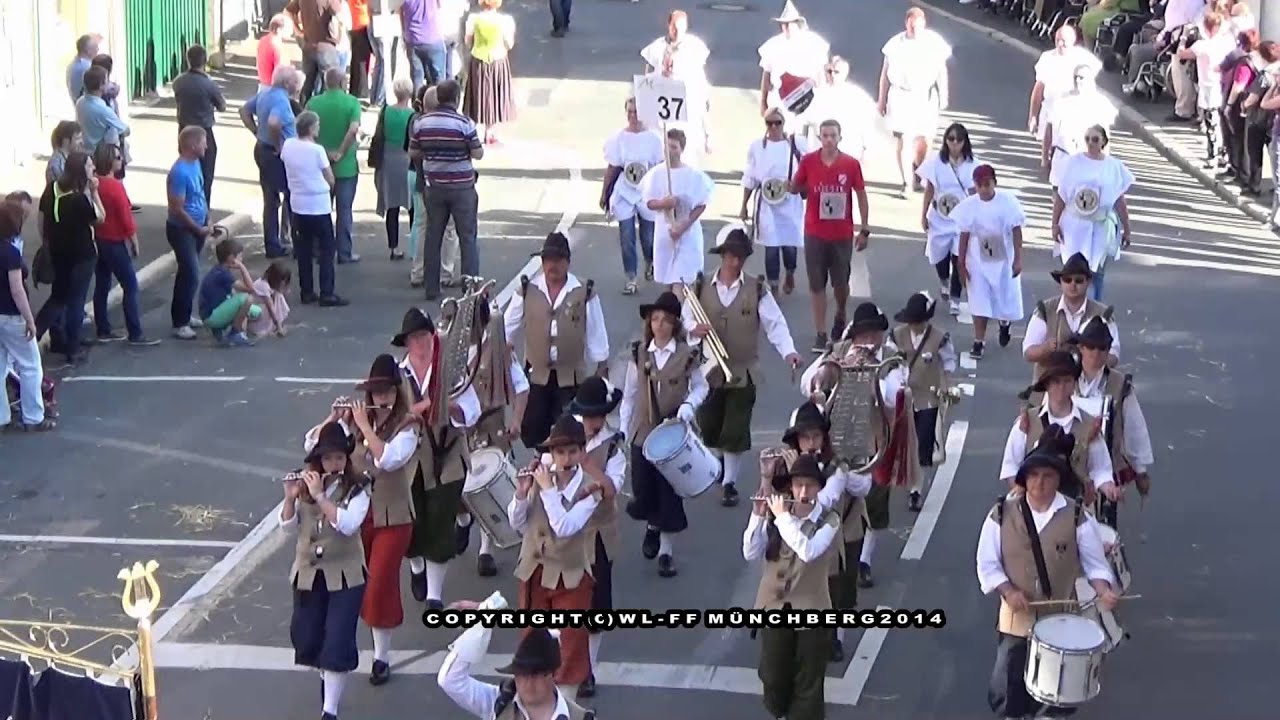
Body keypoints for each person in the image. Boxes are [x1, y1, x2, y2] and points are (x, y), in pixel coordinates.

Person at [976, 439, 1120, 720]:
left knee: (1058, 691)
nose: (1039, 483)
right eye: (1033, 476)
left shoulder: (1078, 517)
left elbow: (1095, 566)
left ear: (1058, 480)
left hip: (1059, 618)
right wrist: (1008, 591)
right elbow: (987, 563)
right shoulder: (1001, 514)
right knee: (1007, 686)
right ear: (1024, 479)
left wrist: (1104, 590)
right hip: (1016, 617)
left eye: (1048, 476)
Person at [305, 353, 421, 687]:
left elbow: (388, 459)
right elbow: (313, 445)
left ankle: (382, 656)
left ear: (397, 393)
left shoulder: (408, 425)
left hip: (393, 516)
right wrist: (334, 418)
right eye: (376, 393)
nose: (381, 399)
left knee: (379, 585)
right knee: (354, 586)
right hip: (357, 515)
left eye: (387, 392)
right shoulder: (353, 423)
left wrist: (366, 426)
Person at [685, 227, 802, 507]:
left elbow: (775, 324)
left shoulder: (756, 289)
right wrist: (693, 329)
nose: (734, 262)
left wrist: (789, 352)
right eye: (730, 256)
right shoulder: (700, 286)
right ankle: (719, 464)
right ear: (722, 255)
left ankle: (729, 483)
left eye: (740, 257)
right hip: (708, 369)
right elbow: (683, 320)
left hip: (743, 369)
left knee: (735, 428)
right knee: (709, 426)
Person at [800, 302, 913, 588]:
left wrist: (869, 374)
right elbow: (808, 384)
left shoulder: (892, 360)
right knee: (831, 497)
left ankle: (864, 559)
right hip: (836, 437)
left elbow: (892, 398)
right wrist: (825, 375)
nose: (868, 342)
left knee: (873, 503)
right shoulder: (838, 352)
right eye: (863, 335)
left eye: (873, 335)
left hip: (873, 440)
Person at [389, 307, 482, 611]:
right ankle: (416, 568)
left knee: (440, 524)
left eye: (424, 335)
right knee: (411, 524)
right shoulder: (396, 375)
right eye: (414, 337)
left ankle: (434, 596)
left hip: (448, 456)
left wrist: (450, 408)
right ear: (406, 342)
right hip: (411, 461)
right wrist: (417, 411)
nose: (421, 342)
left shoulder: (450, 369)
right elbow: (389, 416)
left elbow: (472, 409)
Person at [279, 421, 370, 720]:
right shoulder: (305, 486)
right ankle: (326, 676)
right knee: (307, 639)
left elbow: (347, 524)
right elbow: (286, 527)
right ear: (318, 460)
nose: (334, 463)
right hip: (308, 573)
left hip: (346, 574)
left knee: (338, 641)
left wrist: (321, 496)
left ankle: (329, 710)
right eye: (328, 458)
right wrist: (290, 497)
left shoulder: (358, 488)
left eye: (339, 458)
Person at [743, 453, 840, 720]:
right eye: (798, 484)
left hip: (812, 611)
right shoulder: (779, 514)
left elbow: (808, 551)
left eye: (810, 485)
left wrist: (782, 517)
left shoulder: (829, 520)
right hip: (774, 608)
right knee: (772, 677)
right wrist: (758, 518)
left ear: (819, 488)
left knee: (809, 684)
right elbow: (751, 553)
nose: (804, 491)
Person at [620, 291, 709, 578]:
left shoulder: (687, 356)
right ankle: (651, 525)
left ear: (674, 324)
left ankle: (666, 553)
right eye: (654, 319)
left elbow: (700, 387)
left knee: (669, 491)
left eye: (665, 320)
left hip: (672, 433)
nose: (659, 324)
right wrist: (624, 431)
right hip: (644, 431)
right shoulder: (639, 353)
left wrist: (688, 407)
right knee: (643, 487)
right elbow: (631, 395)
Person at [508, 415, 598, 698]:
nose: (566, 458)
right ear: (552, 454)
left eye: (572, 451)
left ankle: (566, 707)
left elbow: (566, 526)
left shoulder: (590, 489)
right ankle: (534, 704)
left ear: (582, 452)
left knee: (569, 644)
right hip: (534, 570)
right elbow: (518, 525)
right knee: (532, 641)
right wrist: (521, 495)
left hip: (570, 574)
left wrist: (547, 489)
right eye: (560, 452)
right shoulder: (540, 478)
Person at [776, 401, 870, 662]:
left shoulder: (837, 464)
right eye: (805, 437)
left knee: (840, 589)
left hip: (841, 531)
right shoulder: (787, 460)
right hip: (800, 534)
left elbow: (824, 501)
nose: (811, 442)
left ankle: (837, 638)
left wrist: (803, 472)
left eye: (816, 436)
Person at [503, 232, 609, 450]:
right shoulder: (526, 290)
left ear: (567, 262)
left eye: (558, 260)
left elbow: (596, 333)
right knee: (534, 433)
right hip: (537, 375)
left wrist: (601, 369)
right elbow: (506, 330)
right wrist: (506, 355)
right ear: (542, 262)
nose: (553, 265)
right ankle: (541, 472)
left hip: (570, 378)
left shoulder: (584, 292)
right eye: (548, 260)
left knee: (569, 434)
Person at [563, 376, 627, 696]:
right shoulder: (564, 432)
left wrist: (589, 465)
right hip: (566, 532)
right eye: (588, 416)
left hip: (598, 533)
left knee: (597, 607)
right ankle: (565, 664)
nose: (593, 422)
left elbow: (612, 489)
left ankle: (589, 668)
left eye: (598, 416)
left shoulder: (613, 446)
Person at [457, 297, 528, 578]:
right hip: (459, 428)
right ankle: (463, 519)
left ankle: (486, 549)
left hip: (490, 424)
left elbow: (521, 388)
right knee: (454, 483)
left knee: (488, 487)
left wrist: (517, 421)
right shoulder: (452, 353)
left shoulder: (499, 351)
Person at [1000, 351, 1120, 510]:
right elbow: (1010, 467)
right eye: (1056, 381)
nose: (1062, 387)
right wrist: (1027, 494)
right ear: (1047, 384)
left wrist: (1109, 488)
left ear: (1074, 383)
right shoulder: (1027, 422)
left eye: (1067, 381)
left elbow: (1100, 470)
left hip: (1077, 512)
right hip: (1033, 510)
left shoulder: (1090, 424)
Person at [790, 119, 870, 352]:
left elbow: (861, 195)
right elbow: (796, 188)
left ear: (839, 138)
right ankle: (820, 332)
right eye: (824, 135)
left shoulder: (850, 164)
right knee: (816, 284)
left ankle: (841, 311)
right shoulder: (808, 161)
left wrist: (864, 228)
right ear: (819, 138)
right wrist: (793, 186)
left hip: (841, 234)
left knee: (840, 282)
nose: (828, 140)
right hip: (814, 232)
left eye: (833, 135)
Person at [1069, 318, 1153, 529]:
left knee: (1104, 527)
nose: (1096, 354)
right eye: (1091, 347)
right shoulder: (1065, 378)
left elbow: (1135, 428)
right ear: (1081, 347)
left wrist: (1140, 470)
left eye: (1102, 349)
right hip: (1069, 464)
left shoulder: (1119, 385)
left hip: (1106, 465)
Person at [409, 79, 483, 301]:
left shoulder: (422, 123)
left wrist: (432, 156)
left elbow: (413, 152)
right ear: (457, 98)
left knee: (434, 235)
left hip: (435, 186)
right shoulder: (465, 124)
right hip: (462, 186)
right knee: (467, 236)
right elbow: (478, 153)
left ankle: (432, 287)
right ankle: (470, 287)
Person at [438, 624, 597, 720]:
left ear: (552, 674)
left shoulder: (580, 718)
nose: (527, 684)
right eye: (521, 674)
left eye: (535, 675)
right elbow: (450, 680)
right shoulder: (499, 703)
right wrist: (481, 627)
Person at [891, 292, 957, 512]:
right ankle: (903, 477)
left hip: (928, 397)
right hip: (901, 395)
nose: (914, 326)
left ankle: (915, 490)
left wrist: (948, 385)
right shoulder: (896, 336)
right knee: (901, 440)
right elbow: (888, 362)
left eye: (918, 321)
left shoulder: (939, 337)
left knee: (922, 444)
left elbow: (948, 362)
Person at [952, 164, 1026, 360]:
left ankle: (1004, 323)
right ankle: (979, 340)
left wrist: (1018, 258)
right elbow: (964, 234)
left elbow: (1017, 231)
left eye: (987, 184)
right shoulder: (970, 206)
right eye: (979, 185)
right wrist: (961, 263)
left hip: (1003, 253)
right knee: (979, 298)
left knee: (1004, 293)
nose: (984, 189)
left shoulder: (1007, 202)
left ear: (994, 183)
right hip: (977, 256)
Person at [1051, 126, 1134, 301]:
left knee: (1097, 272)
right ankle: (1071, 308)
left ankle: (1094, 310)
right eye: (1087, 139)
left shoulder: (1113, 166)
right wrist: (1055, 223)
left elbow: (1119, 199)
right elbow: (1062, 195)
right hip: (1075, 224)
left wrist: (1127, 228)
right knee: (1073, 270)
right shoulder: (1073, 163)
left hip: (1100, 225)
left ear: (1103, 141)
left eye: (1095, 139)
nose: (1090, 143)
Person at [35, 150, 102, 365]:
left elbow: (41, 219)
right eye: (90, 166)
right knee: (76, 301)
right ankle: (73, 348)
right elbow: (100, 217)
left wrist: (47, 242)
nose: (93, 169)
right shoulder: (79, 199)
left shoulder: (52, 190)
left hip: (58, 253)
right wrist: (94, 193)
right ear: (81, 170)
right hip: (82, 256)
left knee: (58, 297)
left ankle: (39, 336)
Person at [878, 7, 952, 197]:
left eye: (917, 27)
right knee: (904, 138)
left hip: (925, 96)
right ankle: (906, 183)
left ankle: (918, 172)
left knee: (924, 141)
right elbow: (884, 75)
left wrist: (943, 94)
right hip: (901, 95)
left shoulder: (934, 42)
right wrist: (882, 99)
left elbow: (942, 71)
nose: (914, 30)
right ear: (906, 24)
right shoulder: (895, 44)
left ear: (924, 25)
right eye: (911, 27)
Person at [90, 144, 158, 346]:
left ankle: (103, 328)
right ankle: (135, 332)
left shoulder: (95, 184)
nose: (121, 161)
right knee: (130, 285)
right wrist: (134, 242)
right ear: (110, 161)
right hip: (115, 240)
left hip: (99, 240)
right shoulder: (115, 186)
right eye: (118, 157)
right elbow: (125, 217)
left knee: (102, 284)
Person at [282, 110, 349, 307]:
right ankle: (327, 291)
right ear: (311, 129)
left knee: (303, 250)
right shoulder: (317, 150)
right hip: (318, 204)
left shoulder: (288, 145)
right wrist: (329, 185)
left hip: (298, 203)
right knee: (327, 250)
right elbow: (329, 177)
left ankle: (307, 290)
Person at [740, 107, 809, 295]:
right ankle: (774, 285)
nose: (773, 127)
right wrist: (744, 205)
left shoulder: (796, 144)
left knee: (789, 246)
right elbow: (750, 177)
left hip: (790, 202)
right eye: (769, 123)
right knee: (771, 248)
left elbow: (809, 169)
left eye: (777, 122)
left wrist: (797, 183)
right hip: (767, 206)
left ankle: (790, 272)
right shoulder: (757, 147)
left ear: (783, 123)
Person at [1022, 252, 1122, 379]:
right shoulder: (1045, 310)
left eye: (1079, 280)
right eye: (1067, 280)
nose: (1073, 285)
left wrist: (1094, 356)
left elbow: (1114, 354)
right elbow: (1028, 352)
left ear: (1088, 281)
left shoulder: (1104, 314)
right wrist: (1045, 349)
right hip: (1049, 390)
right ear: (1061, 282)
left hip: (1090, 390)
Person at [601, 98, 664, 293]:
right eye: (629, 111)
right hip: (625, 193)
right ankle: (631, 277)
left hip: (647, 193)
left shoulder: (654, 139)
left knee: (648, 236)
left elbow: (662, 168)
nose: (632, 116)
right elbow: (612, 167)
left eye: (636, 112)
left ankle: (650, 261)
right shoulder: (618, 138)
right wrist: (605, 193)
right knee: (626, 236)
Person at [240, 65, 303, 260]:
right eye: (294, 81)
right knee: (290, 195)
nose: (297, 84)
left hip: (262, 149)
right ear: (286, 83)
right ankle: (294, 241)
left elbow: (244, 110)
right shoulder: (281, 100)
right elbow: (275, 123)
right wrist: (279, 145)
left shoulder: (265, 93)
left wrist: (256, 131)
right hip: (277, 154)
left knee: (270, 199)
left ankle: (272, 244)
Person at [0, 195, 52, 431]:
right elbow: (17, 290)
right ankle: (34, 416)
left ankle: (2, 417)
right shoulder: (10, 253)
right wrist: (30, 320)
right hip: (11, 316)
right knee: (30, 365)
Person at [639, 129, 715, 287]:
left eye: (673, 147)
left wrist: (684, 224)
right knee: (667, 282)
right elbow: (649, 202)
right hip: (664, 233)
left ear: (681, 149)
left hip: (687, 234)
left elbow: (702, 203)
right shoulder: (655, 174)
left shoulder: (694, 176)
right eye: (666, 146)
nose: (669, 150)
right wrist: (664, 203)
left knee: (682, 282)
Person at [917, 122, 978, 316]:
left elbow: (976, 193)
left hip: (961, 220)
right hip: (940, 217)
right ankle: (943, 279)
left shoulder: (972, 165)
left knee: (958, 257)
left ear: (964, 142)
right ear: (946, 140)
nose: (955, 143)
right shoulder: (937, 162)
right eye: (951, 139)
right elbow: (930, 189)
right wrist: (924, 214)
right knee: (938, 255)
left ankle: (955, 297)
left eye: (959, 140)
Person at [408, 85, 463, 289]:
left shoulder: (417, 122)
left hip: (420, 180)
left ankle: (419, 271)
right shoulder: (441, 124)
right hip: (442, 182)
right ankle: (444, 272)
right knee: (448, 229)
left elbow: (412, 151)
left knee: (422, 227)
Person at [307, 68, 364, 264]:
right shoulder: (352, 103)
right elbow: (353, 129)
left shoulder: (314, 102)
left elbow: (305, 131)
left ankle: (318, 250)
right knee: (344, 210)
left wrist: (323, 150)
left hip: (320, 165)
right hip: (346, 166)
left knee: (320, 209)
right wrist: (340, 151)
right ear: (342, 83)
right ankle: (344, 252)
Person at [641, 11, 714, 160]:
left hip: (686, 110)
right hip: (661, 111)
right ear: (668, 25)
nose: (677, 30)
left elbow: (700, 84)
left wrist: (708, 133)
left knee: (685, 156)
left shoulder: (694, 47)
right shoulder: (656, 47)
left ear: (686, 27)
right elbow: (646, 79)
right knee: (660, 156)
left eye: (680, 27)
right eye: (674, 26)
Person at [166, 127, 212, 341]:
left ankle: (183, 315)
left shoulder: (196, 164)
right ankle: (180, 323)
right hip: (182, 230)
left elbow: (200, 194)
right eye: (203, 142)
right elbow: (177, 208)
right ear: (193, 145)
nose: (206, 146)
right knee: (191, 272)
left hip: (198, 227)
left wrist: (207, 218)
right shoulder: (179, 172)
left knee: (187, 273)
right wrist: (197, 227)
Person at [1042, 65, 1118, 190]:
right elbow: (1049, 131)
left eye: (1082, 78)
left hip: (1088, 160)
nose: (1078, 81)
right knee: (1059, 200)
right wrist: (1045, 158)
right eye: (1076, 77)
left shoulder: (1101, 103)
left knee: (1084, 202)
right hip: (1063, 159)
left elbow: (1105, 136)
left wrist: (1105, 161)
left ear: (1090, 79)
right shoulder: (1061, 102)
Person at [757, 1, 830, 131]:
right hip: (783, 99)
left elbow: (821, 73)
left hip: (810, 96)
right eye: (784, 25)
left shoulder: (814, 43)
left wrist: (824, 95)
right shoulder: (772, 46)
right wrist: (763, 102)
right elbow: (766, 75)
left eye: (790, 24)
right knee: (785, 136)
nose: (786, 28)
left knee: (815, 137)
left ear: (798, 24)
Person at [172, 45, 227, 209]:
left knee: (186, 170)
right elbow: (222, 106)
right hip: (203, 132)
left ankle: (185, 205)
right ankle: (202, 209)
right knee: (206, 175)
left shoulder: (178, 82)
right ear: (204, 61)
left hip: (184, 130)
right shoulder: (208, 85)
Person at [1029, 26, 1103, 143]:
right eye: (1057, 40)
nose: (1060, 44)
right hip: (1050, 110)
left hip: (1072, 113)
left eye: (1064, 41)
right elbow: (1038, 89)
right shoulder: (1047, 57)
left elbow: (1090, 89)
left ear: (1073, 41)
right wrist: (1033, 116)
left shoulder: (1084, 58)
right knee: (1048, 149)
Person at [371, 78, 416, 261]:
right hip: (407, 159)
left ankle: (393, 246)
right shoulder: (413, 114)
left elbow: (378, 135)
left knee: (392, 205)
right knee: (413, 205)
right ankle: (415, 247)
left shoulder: (386, 111)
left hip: (388, 159)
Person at [802, 56, 877, 163]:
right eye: (829, 71)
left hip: (848, 152)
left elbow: (867, 125)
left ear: (845, 73)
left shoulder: (857, 96)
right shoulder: (816, 94)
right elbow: (805, 122)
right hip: (820, 154)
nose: (832, 75)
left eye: (836, 72)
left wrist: (867, 150)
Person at [463, 0, 517, 145]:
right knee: (495, 94)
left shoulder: (473, 19)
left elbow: (468, 41)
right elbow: (509, 44)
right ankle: (490, 132)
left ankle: (473, 132)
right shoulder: (505, 21)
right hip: (498, 58)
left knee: (479, 93)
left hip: (478, 58)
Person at [197, 238, 261, 347]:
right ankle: (235, 333)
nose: (241, 259)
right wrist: (242, 268)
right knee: (247, 299)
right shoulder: (223, 274)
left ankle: (229, 330)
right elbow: (251, 289)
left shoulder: (220, 270)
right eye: (240, 256)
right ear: (232, 258)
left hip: (211, 311)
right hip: (211, 316)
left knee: (256, 311)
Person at [286, 0, 351, 102]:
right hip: (326, 46)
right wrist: (340, 35)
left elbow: (287, 12)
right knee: (331, 84)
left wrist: (298, 30)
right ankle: (325, 111)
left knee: (308, 83)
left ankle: (303, 111)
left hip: (308, 45)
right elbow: (342, 18)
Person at [75, 67, 130, 158]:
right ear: (101, 86)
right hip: (102, 156)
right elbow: (125, 130)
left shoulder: (80, 102)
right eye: (107, 81)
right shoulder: (104, 110)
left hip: (85, 152)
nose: (109, 84)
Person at [401, 0, 449, 89]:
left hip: (413, 39)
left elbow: (401, 12)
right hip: (433, 37)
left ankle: (417, 102)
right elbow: (441, 6)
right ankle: (438, 101)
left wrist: (404, 34)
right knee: (438, 79)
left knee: (417, 79)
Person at [247, 260, 293, 339]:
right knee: (278, 297)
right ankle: (265, 328)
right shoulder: (263, 285)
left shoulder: (269, 284)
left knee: (278, 295)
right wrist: (279, 327)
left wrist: (284, 289)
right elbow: (270, 307)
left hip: (259, 308)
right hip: (255, 311)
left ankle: (274, 325)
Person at [257, 14, 296, 93]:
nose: (291, 31)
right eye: (288, 28)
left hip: (263, 84)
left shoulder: (263, 40)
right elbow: (281, 72)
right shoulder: (277, 46)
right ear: (278, 29)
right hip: (274, 88)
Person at [45, 121, 83, 188]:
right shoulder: (57, 165)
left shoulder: (68, 158)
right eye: (77, 138)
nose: (81, 142)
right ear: (66, 140)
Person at [66, 34, 100, 102]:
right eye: (96, 47)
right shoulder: (87, 68)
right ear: (88, 51)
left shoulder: (71, 65)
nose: (98, 50)